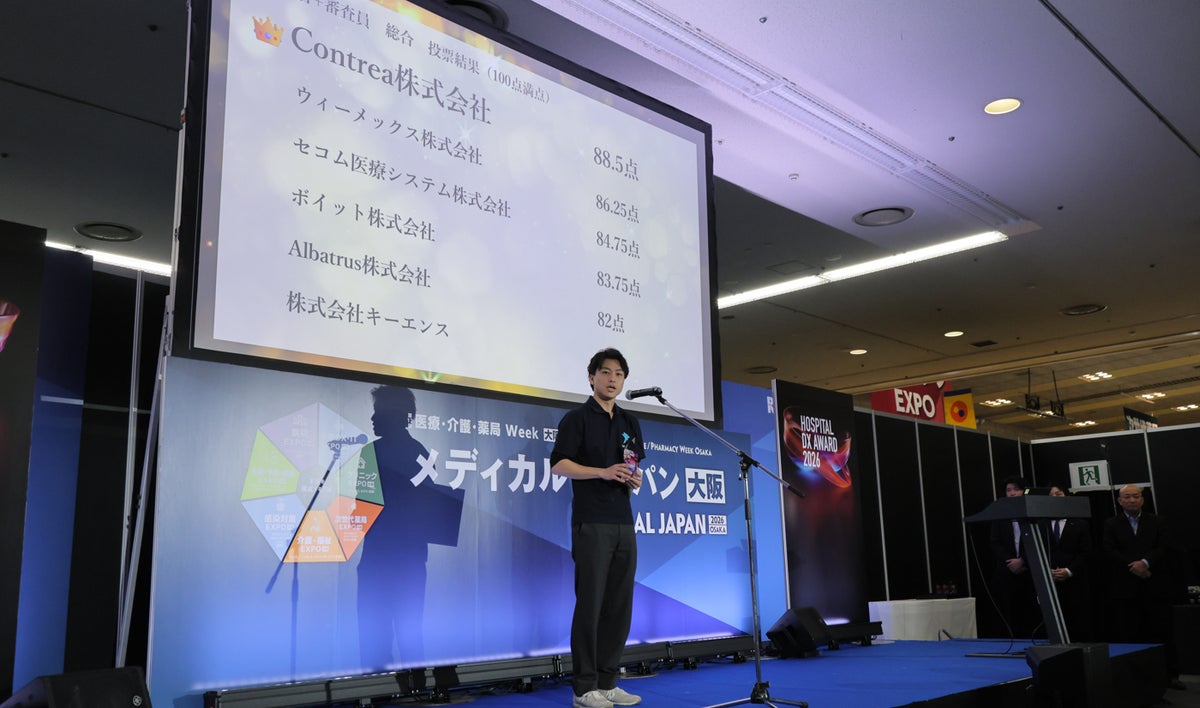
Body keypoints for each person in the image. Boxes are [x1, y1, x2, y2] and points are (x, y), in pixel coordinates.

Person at [551, 348, 645, 708]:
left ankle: (608, 681)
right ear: (592, 377)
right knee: (590, 606)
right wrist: (602, 472)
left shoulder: (629, 422)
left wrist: (634, 478)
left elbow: (632, 464)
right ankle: (583, 688)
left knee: (619, 606)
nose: (612, 379)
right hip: (591, 522)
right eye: (605, 372)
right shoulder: (576, 418)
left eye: (619, 374)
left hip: (623, 522)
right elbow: (558, 464)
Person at [1102, 484, 1185, 690]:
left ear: (1142, 499)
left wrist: (1145, 563)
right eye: (1127, 497)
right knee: (1130, 633)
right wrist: (1134, 566)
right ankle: (1134, 677)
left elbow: (1163, 547)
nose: (1131, 500)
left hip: (1154, 584)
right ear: (1119, 501)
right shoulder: (1111, 524)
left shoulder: (1157, 521)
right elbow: (1109, 551)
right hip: (1126, 588)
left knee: (1162, 631)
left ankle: (1170, 675)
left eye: (1135, 496)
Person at [988, 476, 1040, 637]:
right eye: (1008, 490)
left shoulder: (1034, 513)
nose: (1012, 493)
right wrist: (1011, 562)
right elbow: (995, 542)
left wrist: (1023, 560)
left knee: (1031, 610)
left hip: (1029, 570)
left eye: (1016, 489)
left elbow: (1039, 540)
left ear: (1024, 491)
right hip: (1007, 570)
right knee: (1009, 610)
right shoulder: (1000, 515)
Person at [1047, 485, 1092, 641]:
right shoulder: (1040, 524)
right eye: (1050, 495)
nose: (1054, 497)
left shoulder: (1080, 523)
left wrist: (1069, 571)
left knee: (1078, 621)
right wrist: (1047, 571)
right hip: (1049, 581)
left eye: (1058, 494)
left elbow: (1086, 552)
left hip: (1075, 580)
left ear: (1066, 496)